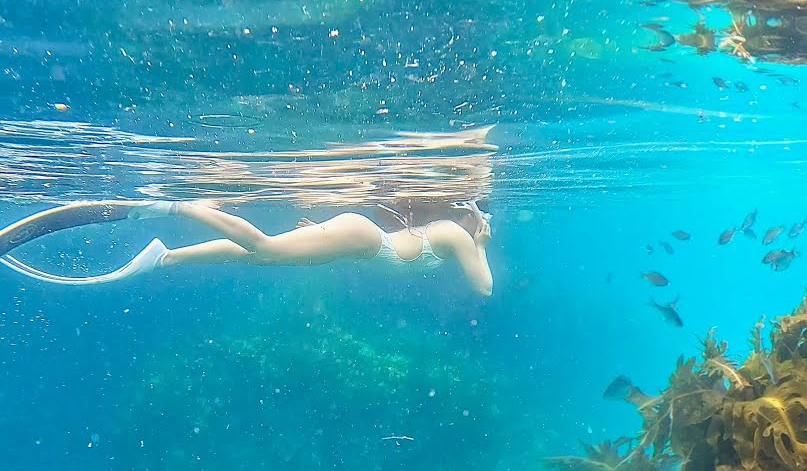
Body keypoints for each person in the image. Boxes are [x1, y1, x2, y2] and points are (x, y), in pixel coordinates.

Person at [0, 199, 494, 296]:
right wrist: (483, 242)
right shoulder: (456, 234)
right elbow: (485, 288)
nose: (485, 222)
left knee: (255, 255)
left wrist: (325, 233)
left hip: (359, 242)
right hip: (364, 240)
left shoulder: (443, 232)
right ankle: (178, 207)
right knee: (264, 247)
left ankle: (164, 258)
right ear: (465, 213)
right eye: (481, 213)